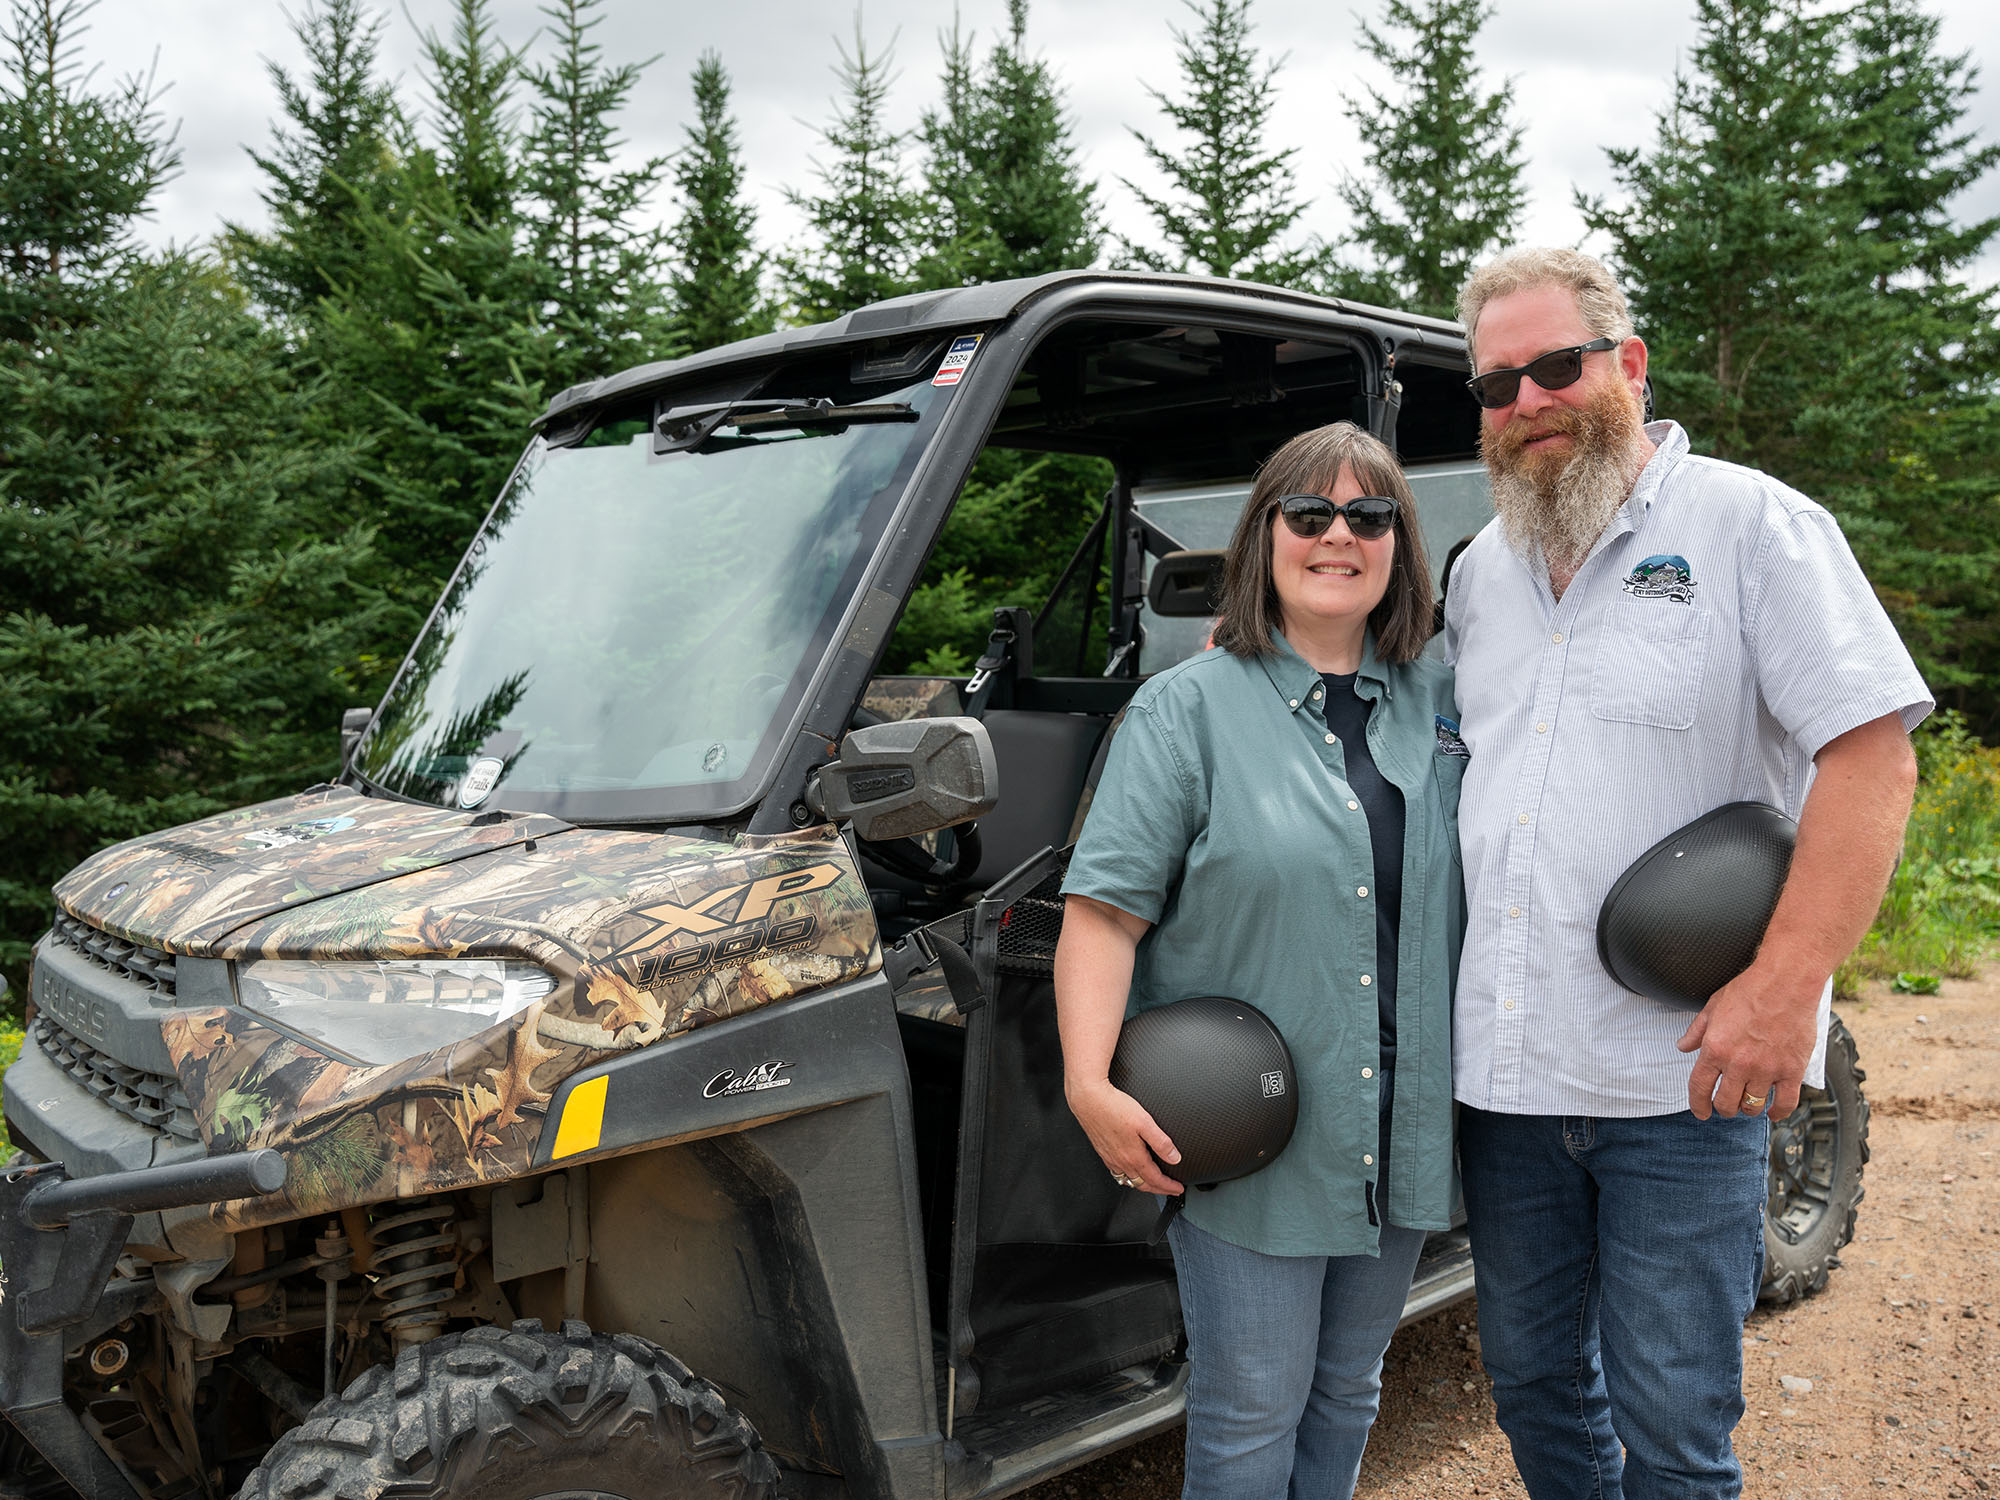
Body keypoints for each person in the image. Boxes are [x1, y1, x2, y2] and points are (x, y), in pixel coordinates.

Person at [1444, 247, 1932, 1500]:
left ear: (1627, 364)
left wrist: (1786, 989)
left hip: (1682, 1081)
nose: (1528, 402)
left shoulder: (1749, 525)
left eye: (1556, 367)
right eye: (1496, 385)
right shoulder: (1475, 575)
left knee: (1671, 1424)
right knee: (1535, 1388)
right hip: (1505, 1084)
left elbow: (1870, 761)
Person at [1055, 421, 1465, 1500]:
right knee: (1249, 1417)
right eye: (1309, 513)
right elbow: (1102, 917)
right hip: (1256, 1133)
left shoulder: (1444, 699)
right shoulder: (1183, 709)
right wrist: (1087, 1083)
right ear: (1262, 536)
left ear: (1398, 545)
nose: (1339, 535)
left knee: (1347, 1393)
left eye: (1368, 516)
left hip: (1400, 1125)